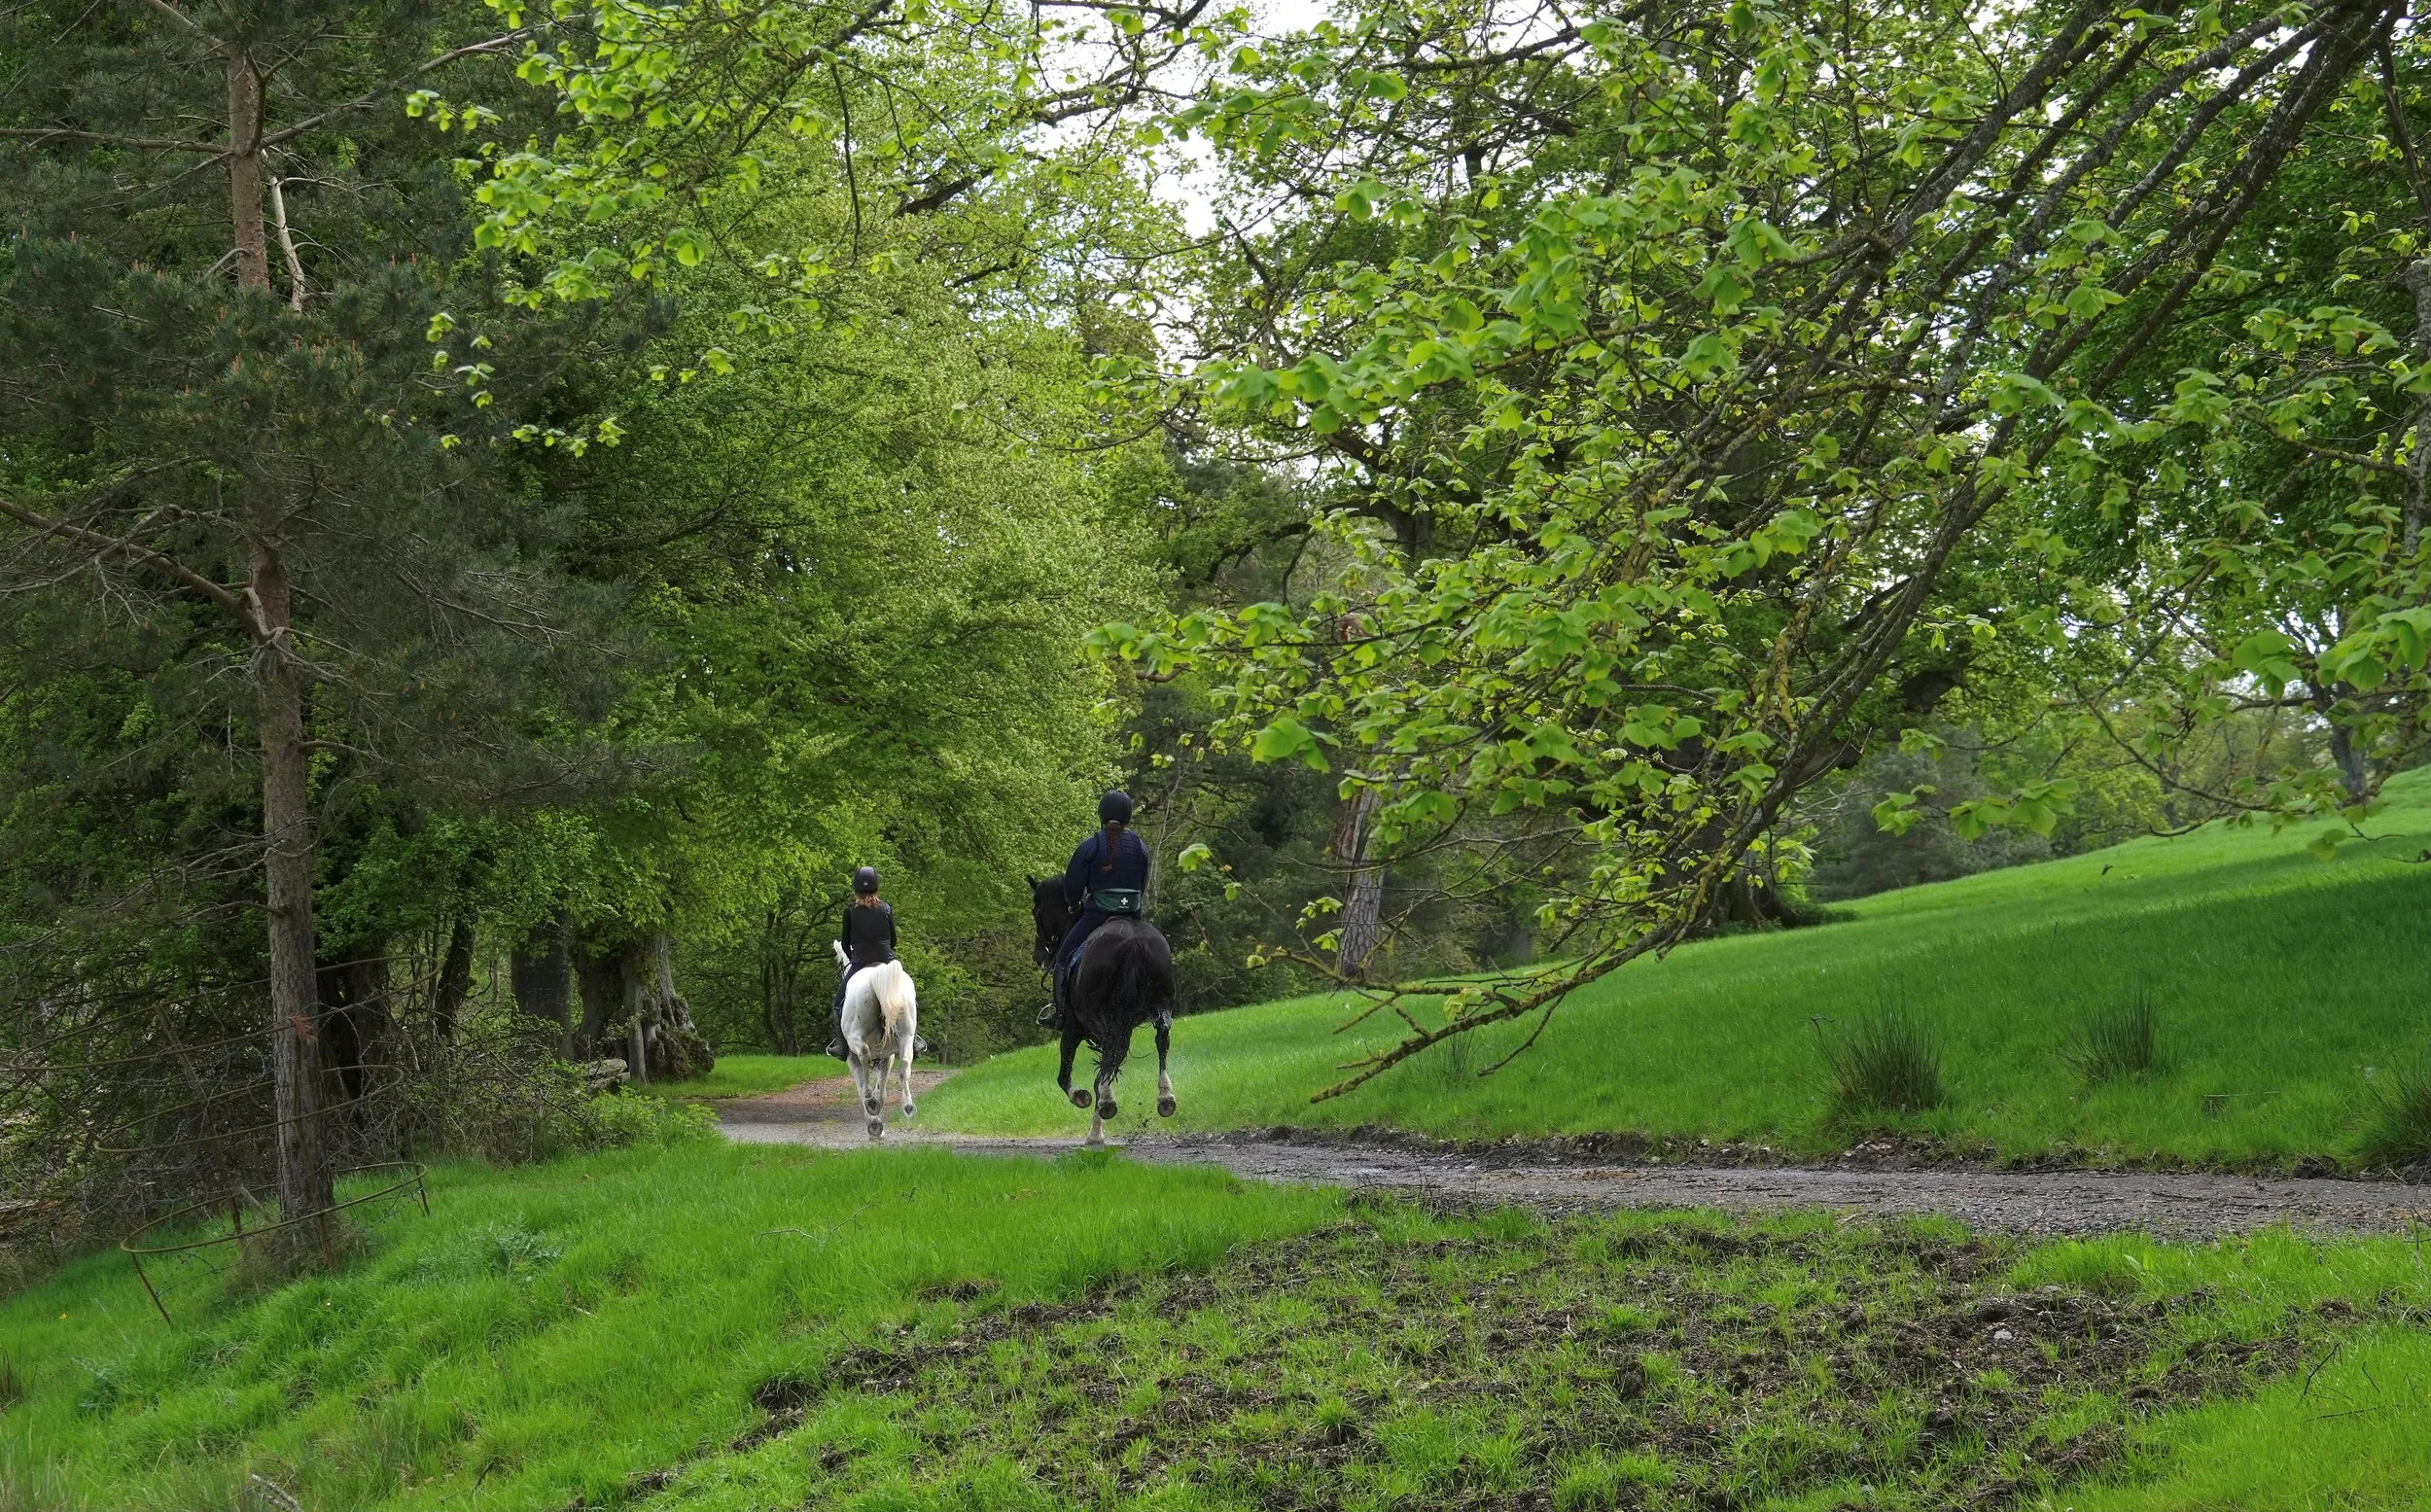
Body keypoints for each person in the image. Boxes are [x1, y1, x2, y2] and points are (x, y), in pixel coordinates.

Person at [1037, 790, 1151, 1029]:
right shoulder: (1140, 846)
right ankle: (1156, 1005)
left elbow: (1073, 888)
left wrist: (1073, 904)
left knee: (1063, 959)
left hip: (1099, 915)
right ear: (1128, 817)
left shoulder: (1090, 846)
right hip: (1133, 914)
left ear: (1101, 815)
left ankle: (1059, 1014)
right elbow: (1142, 884)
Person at [828, 865, 897, 1061]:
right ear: (876, 887)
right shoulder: (886, 908)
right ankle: (915, 1040)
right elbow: (893, 940)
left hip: (860, 962)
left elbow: (846, 942)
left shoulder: (850, 911)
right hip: (886, 960)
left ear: (856, 888)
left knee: (837, 1004)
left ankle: (842, 1047)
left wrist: (854, 959)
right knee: (912, 998)